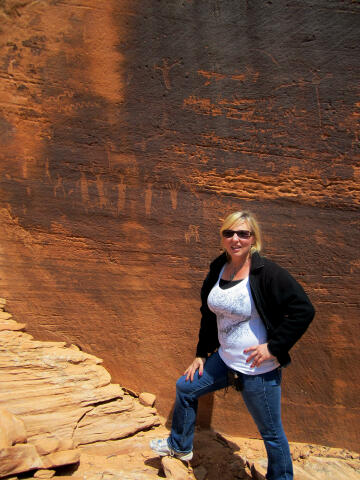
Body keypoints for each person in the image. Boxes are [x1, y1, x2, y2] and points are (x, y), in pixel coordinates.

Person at [150, 211, 315, 480]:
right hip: (224, 360)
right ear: (222, 237)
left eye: (243, 234)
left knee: (272, 435)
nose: (235, 239)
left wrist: (273, 347)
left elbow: (303, 310)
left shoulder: (267, 273)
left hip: (257, 369)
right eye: (229, 233)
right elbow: (208, 313)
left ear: (253, 239)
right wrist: (202, 354)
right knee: (186, 387)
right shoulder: (219, 267)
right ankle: (180, 447)